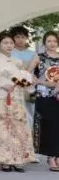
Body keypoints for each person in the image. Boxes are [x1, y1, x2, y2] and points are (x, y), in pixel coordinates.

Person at [0, 31, 35, 171]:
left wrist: (25, 83)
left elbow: (23, 79)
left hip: (17, 98)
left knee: (18, 128)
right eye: (5, 43)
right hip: (2, 97)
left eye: (11, 43)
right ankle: (4, 159)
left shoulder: (18, 62)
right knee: (3, 128)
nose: (9, 45)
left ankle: (18, 158)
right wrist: (2, 85)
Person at [33, 30, 59, 170]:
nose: (52, 43)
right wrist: (37, 81)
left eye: (54, 41)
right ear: (44, 43)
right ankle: (51, 157)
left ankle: (57, 156)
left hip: (58, 94)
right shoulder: (39, 57)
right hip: (44, 95)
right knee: (50, 126)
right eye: (49, 41)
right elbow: (27, 73)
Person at [10, 26, 37, 143]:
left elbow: (37, 72)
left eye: (23, 37)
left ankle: (29, 145)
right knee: (14, 115)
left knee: (29, 115)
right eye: (17, 37)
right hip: (13, 87)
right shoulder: (9, 52)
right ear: (13, 38)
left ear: (26, 38)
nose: (20, 40)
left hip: (29, 88)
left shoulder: (33, 54)